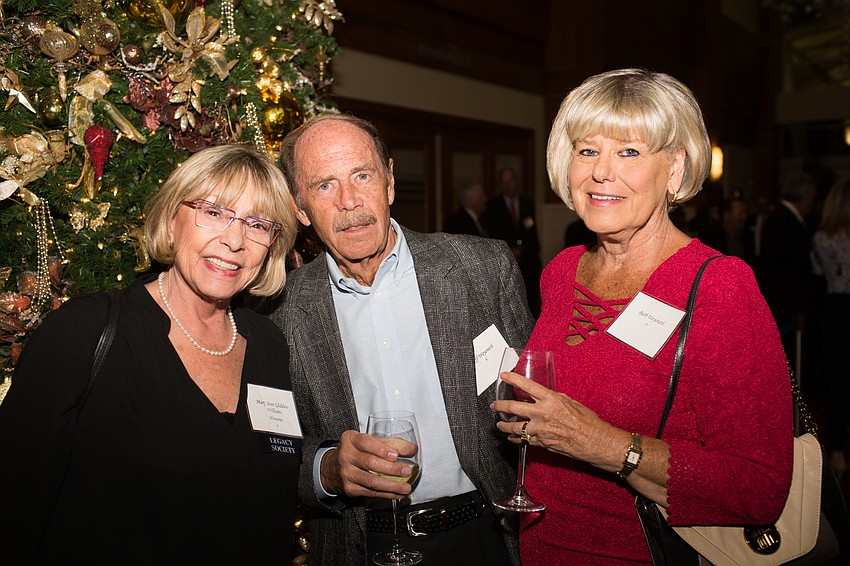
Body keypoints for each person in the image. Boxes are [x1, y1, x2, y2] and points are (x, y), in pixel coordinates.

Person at [491, 68, 793, 564]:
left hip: (643, 552)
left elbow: (760, 486)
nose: (600, 172)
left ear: (674, 170)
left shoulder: (719, 286)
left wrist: (605, 446)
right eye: (587, 150)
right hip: (539, 545)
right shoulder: (562, 271)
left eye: (628, 152)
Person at [0, 145, 300, 563]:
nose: (234, 240)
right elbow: (11, 505)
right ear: (172, 220)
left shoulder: (268, 344)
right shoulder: (86, 330)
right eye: (213, 212)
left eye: (257, 223)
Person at [271, 113, 534, 566]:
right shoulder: (280, 310)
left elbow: (537, 404)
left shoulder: (482, 269)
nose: (349, 201)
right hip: (358, 546)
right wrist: (328, 469)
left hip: (484, 536)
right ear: (299, 209)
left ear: (389, 181)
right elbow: (271, 450)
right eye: (324, 186)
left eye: (362, 175)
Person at [810, 179, 850, 477]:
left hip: (834, 310)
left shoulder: (822, 238)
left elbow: (817, 270)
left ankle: (836, 452)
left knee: (836, 382)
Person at [481, 166, 542, 316]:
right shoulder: (492, 207)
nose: (508, 186)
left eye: (511, 181)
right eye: (504, 182)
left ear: (517, 182)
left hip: (528, 265)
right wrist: (509, 250)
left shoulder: (527, 204)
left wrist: (525, 250)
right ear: (499, 185)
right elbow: (491, 237)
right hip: (505, 264)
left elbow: (532, 233)